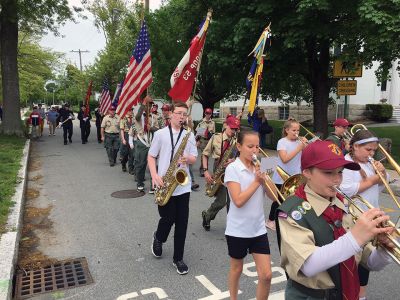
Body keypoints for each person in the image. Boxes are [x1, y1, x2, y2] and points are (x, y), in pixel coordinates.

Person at [277, 140, 393, 300]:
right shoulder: (293, 211)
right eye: (328, 172)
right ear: (307, 173)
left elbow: (369, 262)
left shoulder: (344, 205)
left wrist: (385, 249)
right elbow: (308, 266)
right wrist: (356, 237)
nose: (337, 179)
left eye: (340, 172)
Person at [224, 129, 277, 300]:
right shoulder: (233, 168)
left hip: (258, 229)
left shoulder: (266, 164)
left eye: (257, 146)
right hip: (237, 230)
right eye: (250, 146)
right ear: (239, 146)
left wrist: (267, 177)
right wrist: (257, 181)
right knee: (236, 269)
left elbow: (274, 197)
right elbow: (238, 201)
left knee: (267, 275)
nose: (255, 150)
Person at [339, 129, 390, 300]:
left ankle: (360, 296)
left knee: (366, 264)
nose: (371, 153)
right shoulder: (346, 163)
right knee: (351, 263)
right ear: (355, 147)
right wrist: (373, 179)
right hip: (353, 220)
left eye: (374, 150)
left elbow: (381, 187)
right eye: (368, 149)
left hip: (371, 217)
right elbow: (345, 190)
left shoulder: (370, 163)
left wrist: (382, 174)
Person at [148, 101, 198, 275]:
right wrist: (155, 176)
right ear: (171, 114)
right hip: (165, 183)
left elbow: (194, 158)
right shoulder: (161, 134)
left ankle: (178, 259)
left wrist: (187, 159)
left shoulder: (189, 135)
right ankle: (159, 237)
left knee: (182, 223)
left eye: (184, 114)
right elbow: (151, 156)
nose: (181, 116)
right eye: (178, 113)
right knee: (168, 218)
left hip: (183, 185)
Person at [201, 114, 240, 231]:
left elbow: (243, 157)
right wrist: (206, 171)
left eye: (236, 129)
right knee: (222, 200)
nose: (234, 131)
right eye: (232, 128)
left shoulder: (237, 141)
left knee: (233, 200)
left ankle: (233, 226)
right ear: (225, 125)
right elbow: (205, 154)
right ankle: (207, 215)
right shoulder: (215, 138)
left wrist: (234, 160)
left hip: (233, 171)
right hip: (219, 168)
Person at [268, 118, 307, 230]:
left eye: (298, 130)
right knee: (279, 200)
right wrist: (299, 148)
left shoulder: (299, 142)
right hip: (281, 177)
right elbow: (285, 159)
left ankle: (285, 219)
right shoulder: (282, 142)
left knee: (293, 199)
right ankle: (270, 220)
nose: (296, 133)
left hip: (295, 176)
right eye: (294, 130)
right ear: (286, 130)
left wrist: (306, 146)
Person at [134, 96, 153, 192]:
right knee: (141, 165)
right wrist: (144, 103)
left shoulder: (154, 117)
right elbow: (137, 117)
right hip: (142, 142)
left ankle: (153, 185)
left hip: (152, 142)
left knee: (153, 165)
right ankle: (140, 183)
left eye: (150, 105)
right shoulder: (139, 115)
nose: (149, 107)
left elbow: (160, 129)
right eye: (147, 105)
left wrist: (152, 128)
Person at [195, 107, 215, 176]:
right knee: (203, 155)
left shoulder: (213, 123)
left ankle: (204, 168)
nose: (208, 115)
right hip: (202, 140)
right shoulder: (201, 122)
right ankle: (202, 169)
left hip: (209, 141)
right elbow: (198, 133)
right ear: (205, 113)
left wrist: (211, 135)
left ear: (211, 114)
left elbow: (214, 133)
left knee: (207, 155)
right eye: (207, 113)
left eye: (209, 113)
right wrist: (197, 141)